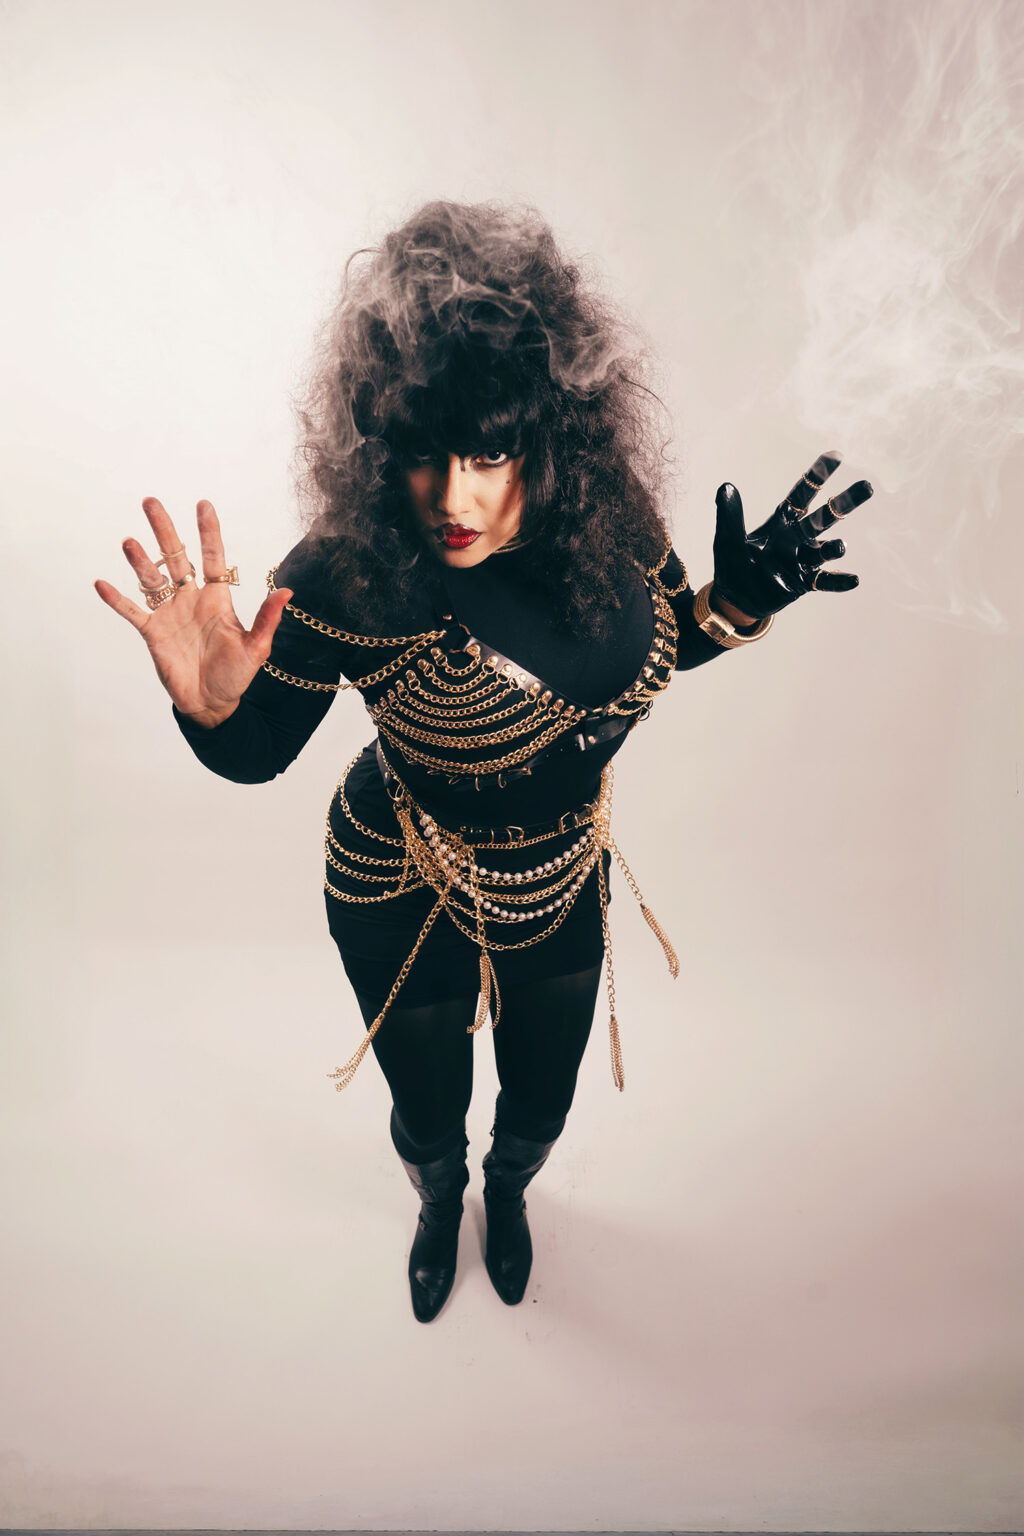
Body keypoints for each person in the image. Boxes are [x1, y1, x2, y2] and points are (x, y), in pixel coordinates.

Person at [96, 200, 872, 1323]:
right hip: (390, 871)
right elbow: (259, 753)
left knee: (541, 1103)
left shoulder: (613, 525)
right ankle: (439, 1201)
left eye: (490, 451)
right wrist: (215, 710)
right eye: (421, 451)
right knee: (425, 1108)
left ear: (554, 433)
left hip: (553, 877)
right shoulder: (347, 569)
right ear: (379, 440)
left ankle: (505, 1194)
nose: (451, 498)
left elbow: (653, 655)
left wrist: (736, 605)